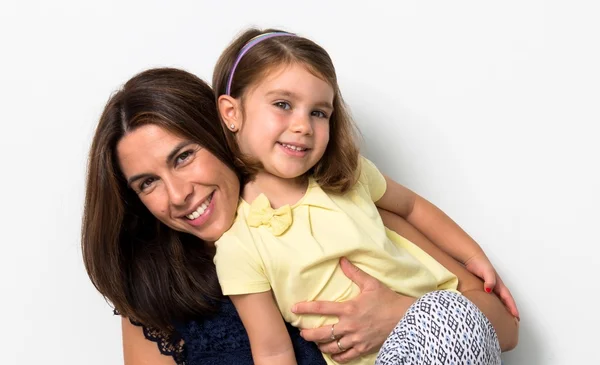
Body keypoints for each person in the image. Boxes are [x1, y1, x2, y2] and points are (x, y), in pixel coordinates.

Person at [82, 68, 518, 365]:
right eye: (147, 183)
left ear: (223, 130)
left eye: (183, 157)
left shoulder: (334, 210)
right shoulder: (153, 296)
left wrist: (400, 313)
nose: (178, 195)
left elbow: (502, 330)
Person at [211, 29, 519, 365]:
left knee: (444, 317)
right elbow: (272, 351)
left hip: (441, 328)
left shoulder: (349, 178)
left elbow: (413, 207)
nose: (303, 126)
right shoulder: (237, 245)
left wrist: (471, 254)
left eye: (319, 112)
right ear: (232, 113)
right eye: (283, 105)